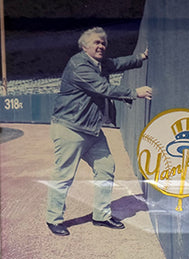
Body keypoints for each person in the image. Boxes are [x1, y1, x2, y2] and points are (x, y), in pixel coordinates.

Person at [45, 27, 153, 236]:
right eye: (96, 43)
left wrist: (140, 57)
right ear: (84, 46)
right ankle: (53, 218)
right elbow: (102, 88)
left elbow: (117, 63)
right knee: (64, 175)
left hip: (92, 130)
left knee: (106, 167)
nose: (101, 46)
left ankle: (101, 215)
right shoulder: (79, 65)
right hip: (70, 128)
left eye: (103, 43)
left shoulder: (99, 64)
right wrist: (134, 92)